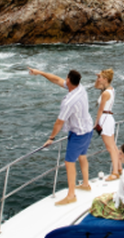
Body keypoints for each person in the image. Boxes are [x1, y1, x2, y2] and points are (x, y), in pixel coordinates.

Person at [30, 68, 93, 206]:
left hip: (78, 134)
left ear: (69, 80)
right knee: (82, 155)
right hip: (88, 129)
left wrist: (51, 138)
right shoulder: (80, 88)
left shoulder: (69, 102)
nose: (64, 80)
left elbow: (59, 122)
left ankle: (71, 195)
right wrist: (40, 73)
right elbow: (57, 80)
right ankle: (86, 184)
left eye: (66, 79)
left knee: (69, 162)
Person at [93, 69, 121, 181]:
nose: (99, 79)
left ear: (105, 79)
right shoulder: (110, 89)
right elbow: (96, 86)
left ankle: (114, 173)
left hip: (104, 119)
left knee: (110, 148)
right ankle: (119, 168)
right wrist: (98, 77)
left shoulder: (105, 93)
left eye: (101, 77)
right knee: (113, 146)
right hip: (109, 118)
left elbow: (100, 109)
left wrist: (96, 123)